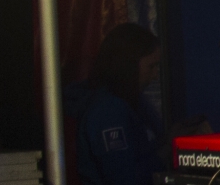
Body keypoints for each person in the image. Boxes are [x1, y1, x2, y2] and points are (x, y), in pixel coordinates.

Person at [70, 23, 169, 185]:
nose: (155, 75)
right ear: (128, 65)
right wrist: (167, 152)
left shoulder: (135, 103)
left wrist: (172, 138)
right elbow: (123, 178)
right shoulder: (107, 111)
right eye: (151, 67)